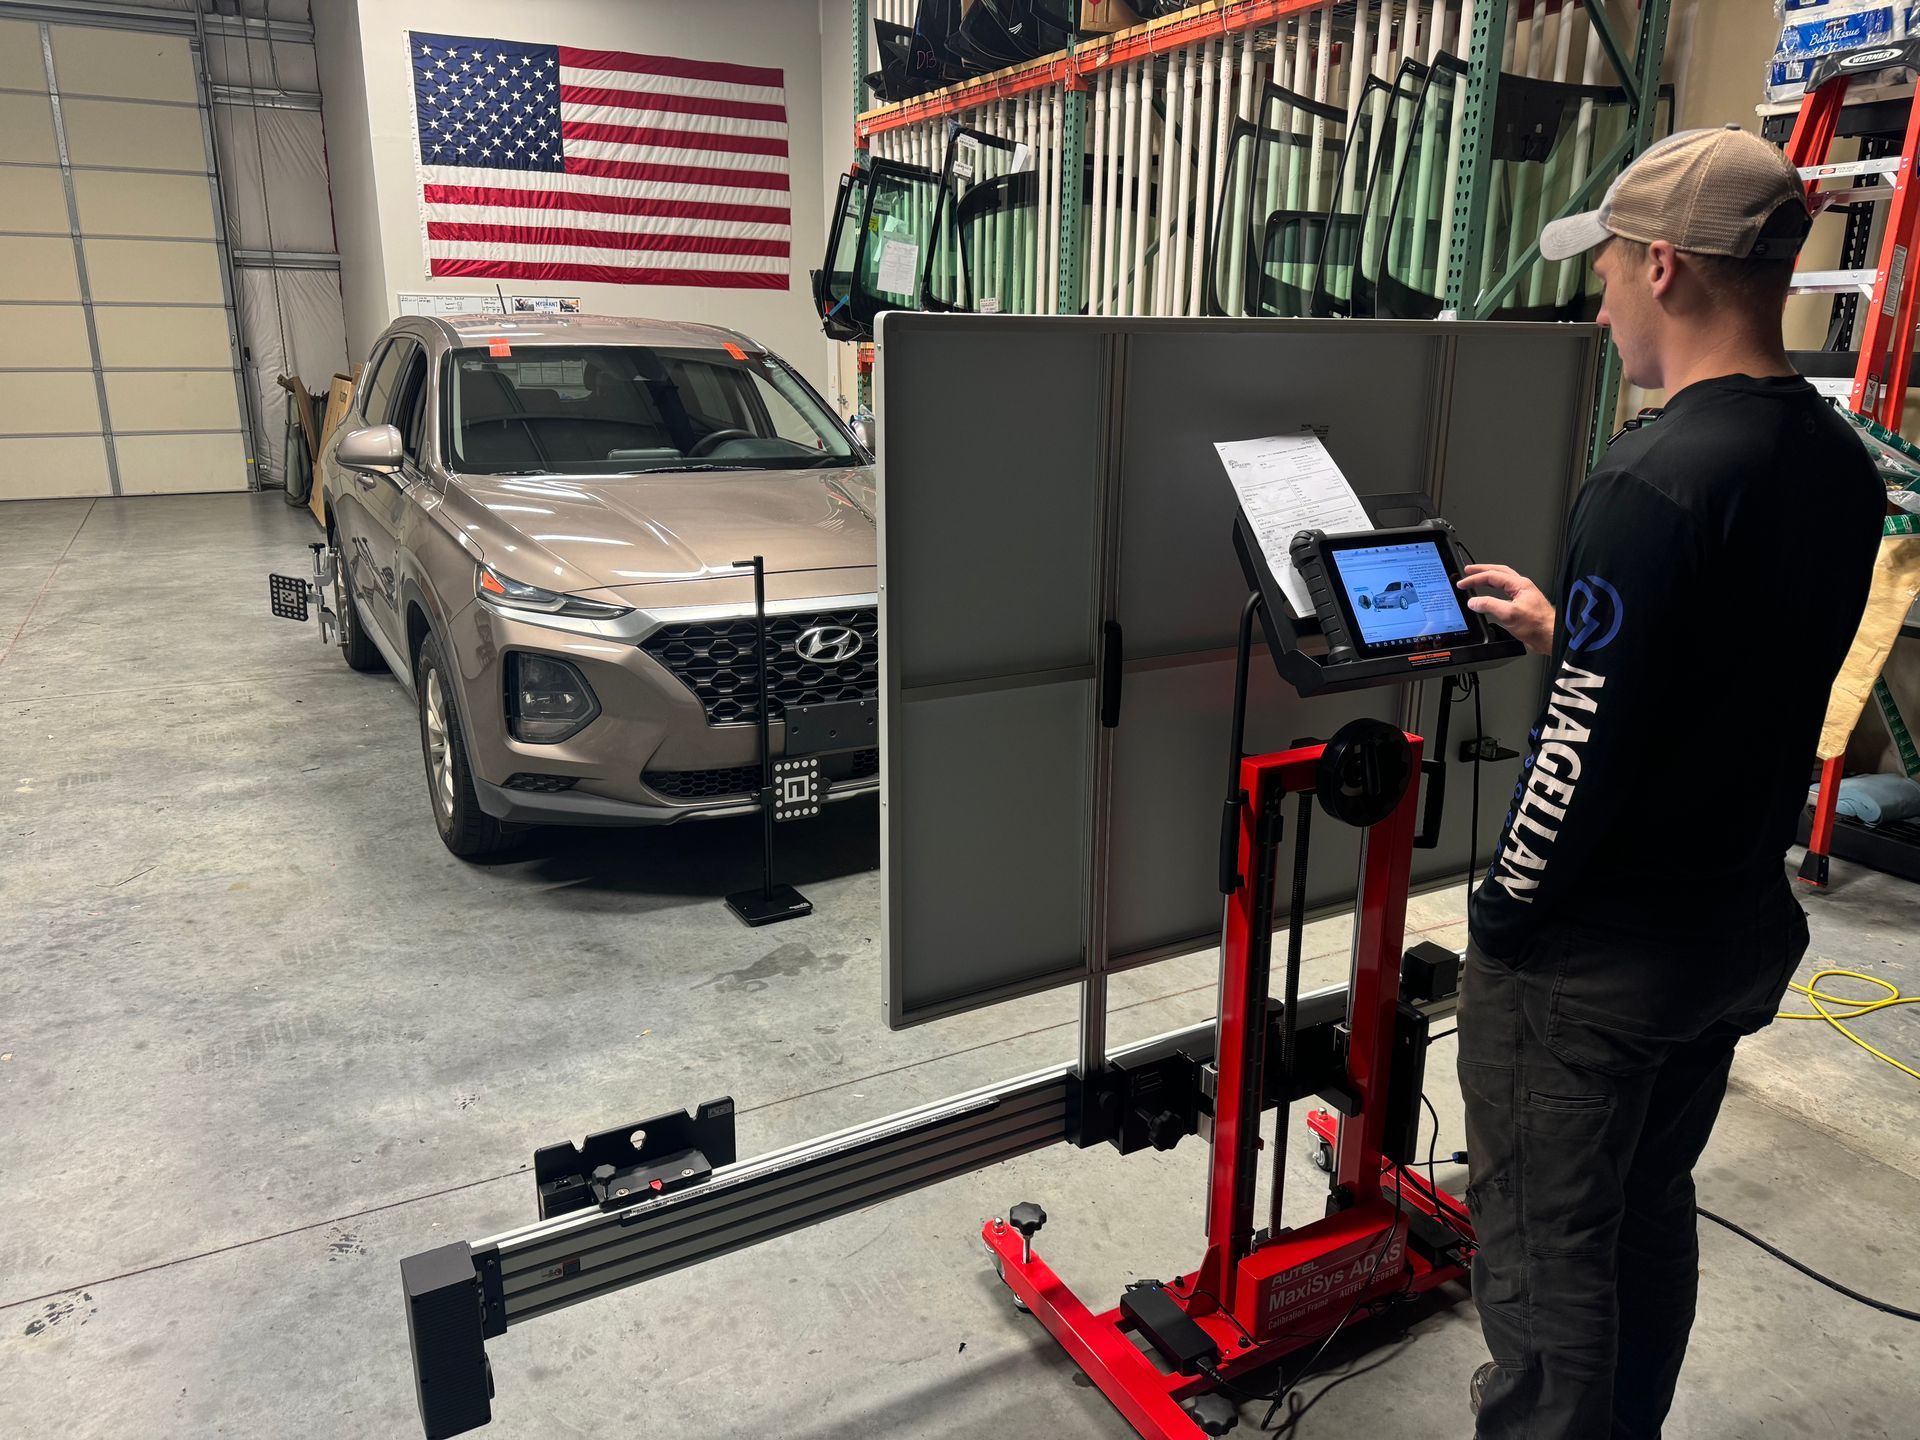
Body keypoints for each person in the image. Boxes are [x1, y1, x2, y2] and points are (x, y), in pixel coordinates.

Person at [1452, 126, 1888, 1440]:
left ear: (1663, 266)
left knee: (1542, 1268)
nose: (1600, 304)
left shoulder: (1651, 476)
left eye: (1609, 276)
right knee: (1643, 1215)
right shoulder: (1832, 458)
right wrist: (1574, 633)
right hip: (1729, 935)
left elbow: (1571, 771)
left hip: (1599, 961)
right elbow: (1728, 662)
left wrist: (1503, 915)